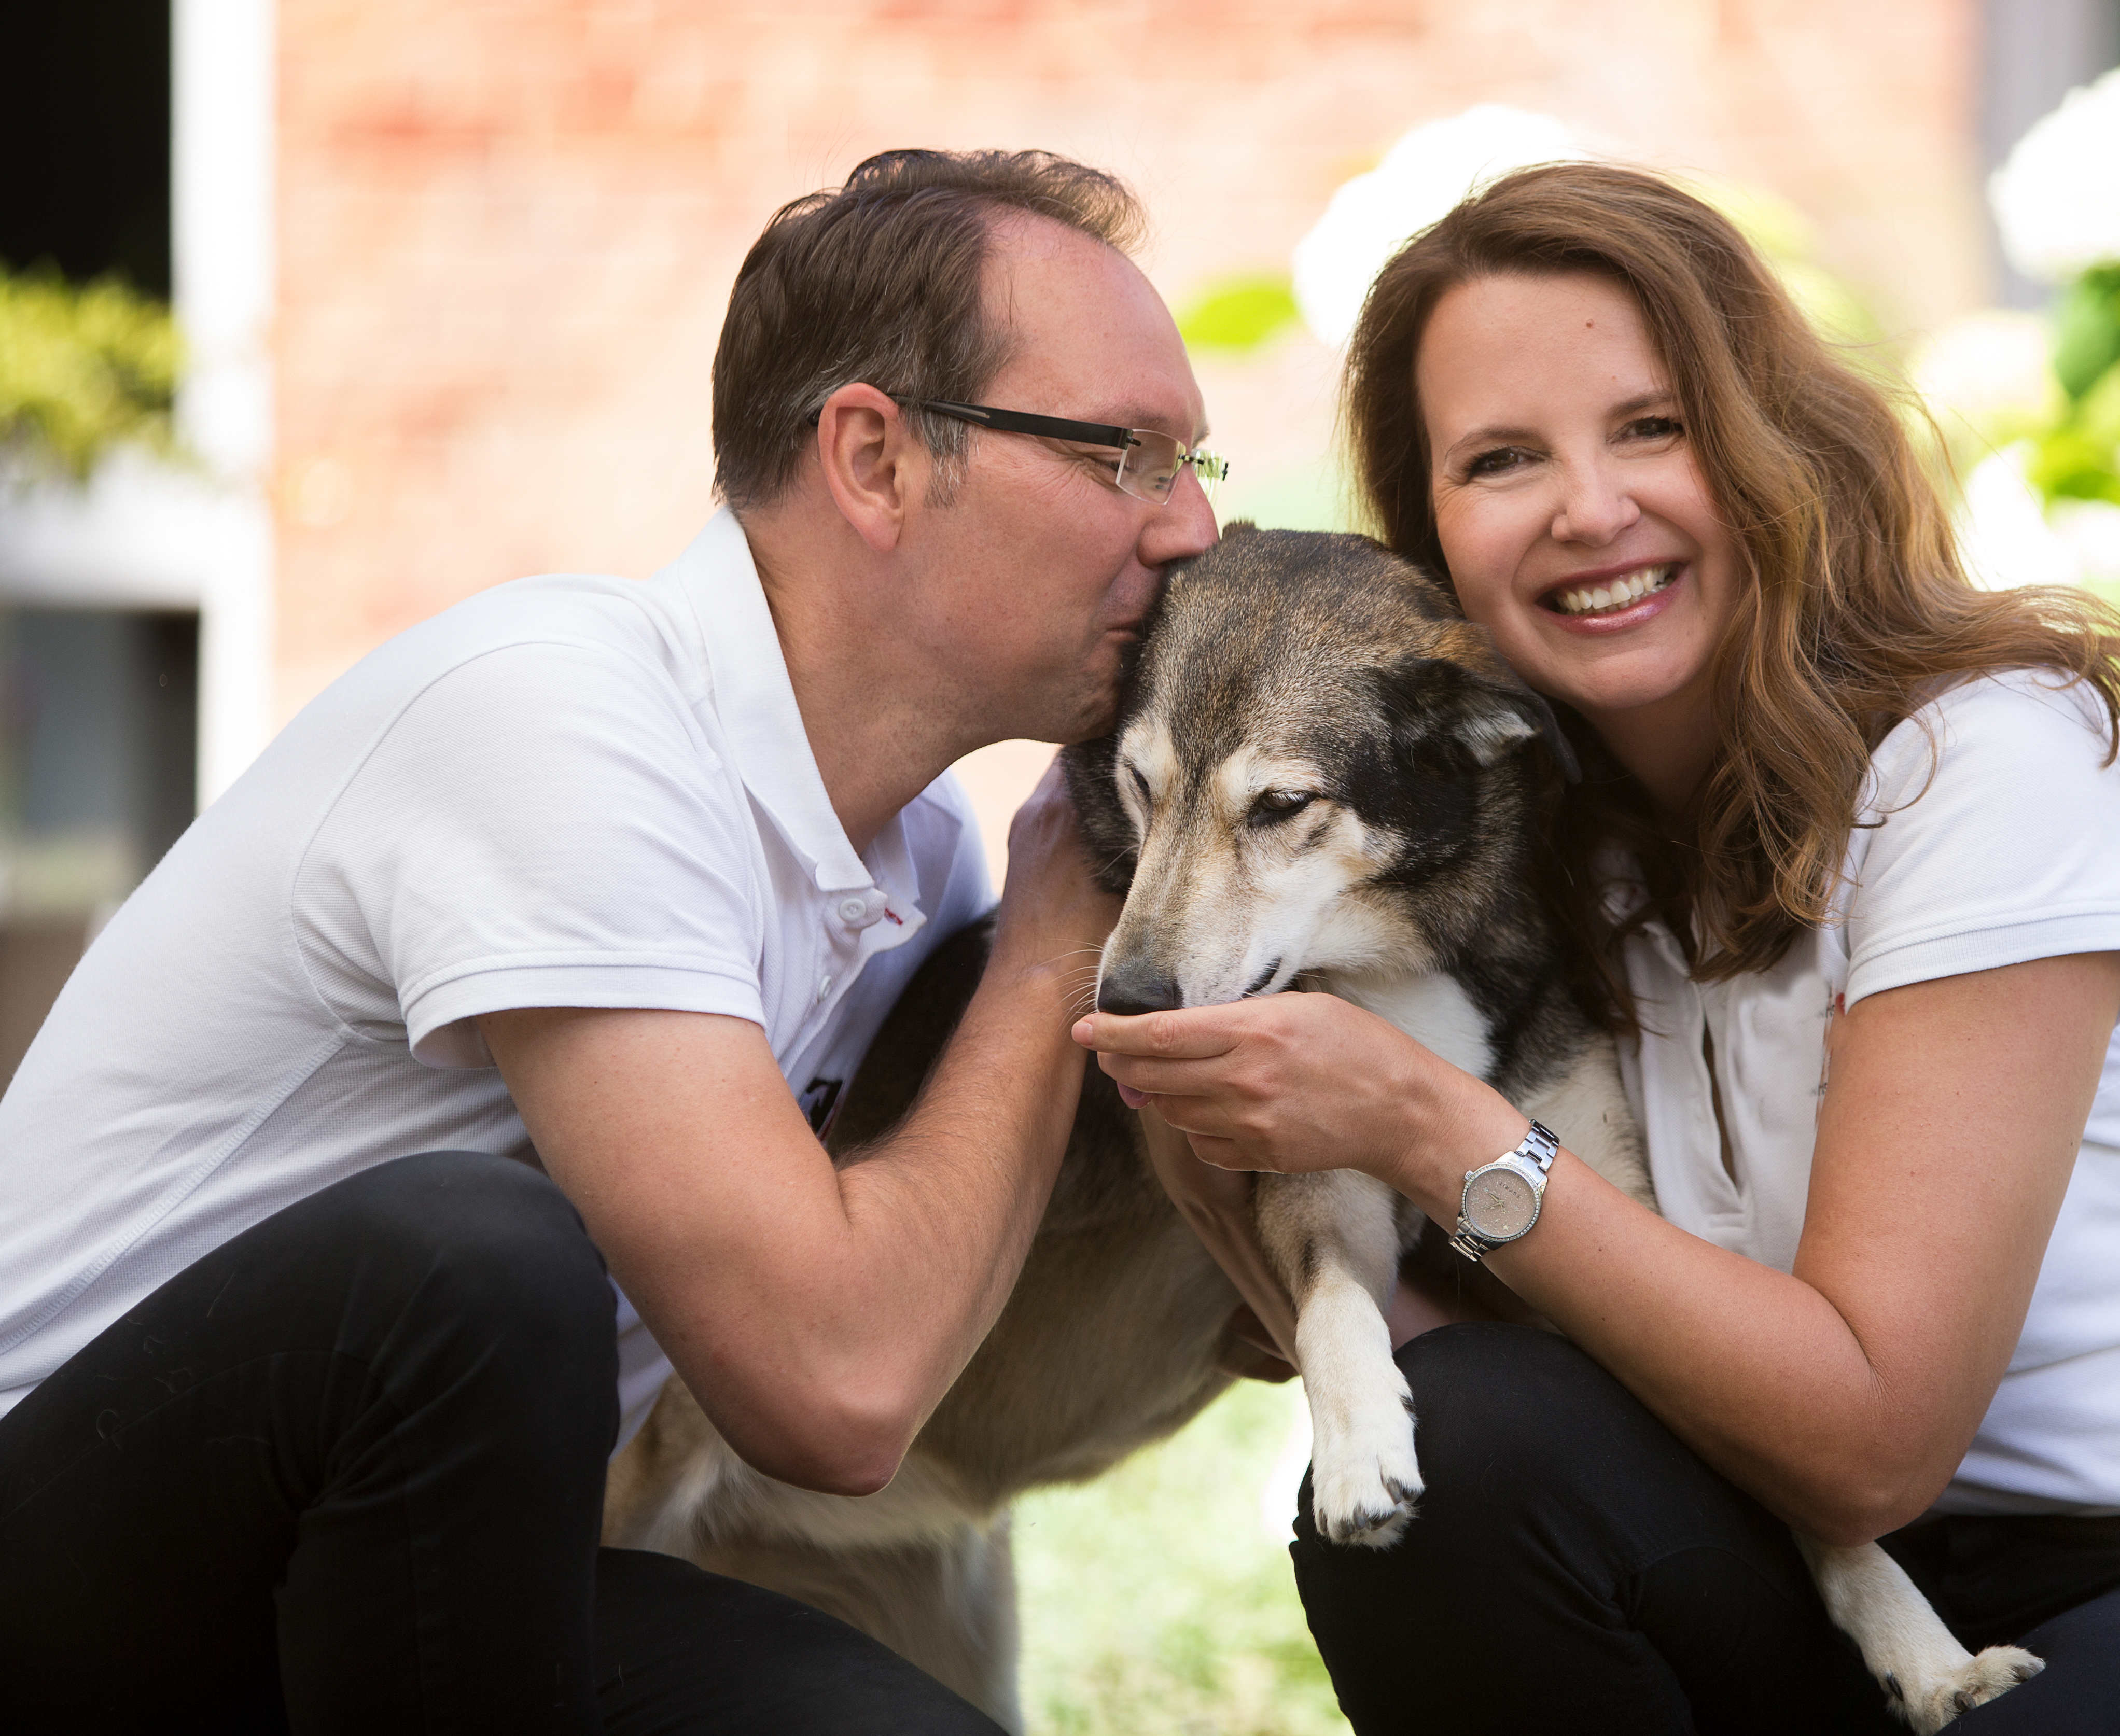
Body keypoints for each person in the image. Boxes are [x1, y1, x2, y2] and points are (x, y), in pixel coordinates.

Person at [1077, 161, 2120, 1734]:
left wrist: (1428, 1125)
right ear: (1432, 529)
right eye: (1503, 457)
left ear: (1765, 444)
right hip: (1857, 1586)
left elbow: (1874, 1442)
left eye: (1653, 426)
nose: (1589, 505)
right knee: (1473, 1459)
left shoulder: (1982, 765)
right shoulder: (1507, 838)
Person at [0, 147, 1220, 1733]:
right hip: (74, 1565)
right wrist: (1056, 941)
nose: (1194, 529)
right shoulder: (564, 717)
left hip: (423, 1589)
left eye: (1194, 462)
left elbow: (945, 1313)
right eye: (1124, 455)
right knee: (471, 1261)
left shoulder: (913, 859)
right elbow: (837, 1388)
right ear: (876, 459)